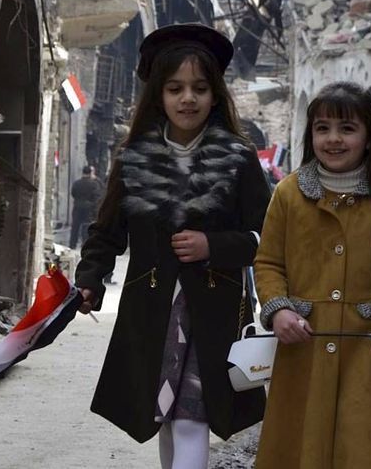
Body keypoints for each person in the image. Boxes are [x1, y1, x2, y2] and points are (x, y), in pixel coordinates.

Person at [75, 23, 270, 469]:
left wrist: (213, 246)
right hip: (152, 311)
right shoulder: (132, 159)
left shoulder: (238, 160)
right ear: (158, 96)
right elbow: (107, 232)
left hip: (214, 312)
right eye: (175, 88)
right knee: (166, 414)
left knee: (192, 416)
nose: (188, 98)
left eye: (200, 88)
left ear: (215, 95)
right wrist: (89, 280)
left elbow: (270, 238)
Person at [253, 81, 371, 469]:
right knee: (297, 447)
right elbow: (269, 263)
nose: (333, 139)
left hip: (368, 351)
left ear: (370, 137)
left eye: (347, 129)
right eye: (322, 128)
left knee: (362, 447)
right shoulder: (288, 194)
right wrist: (279, 311)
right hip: (302, 346)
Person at [69, 165, 102, 251]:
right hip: (89, 209)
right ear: (90, 173)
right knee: (86, 227)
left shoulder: (76, 183)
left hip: (77, 207)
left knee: (75, 227)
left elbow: (73, 193)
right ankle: (85, 245)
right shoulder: (94, 184)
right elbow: (97, 197)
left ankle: (72, 245)